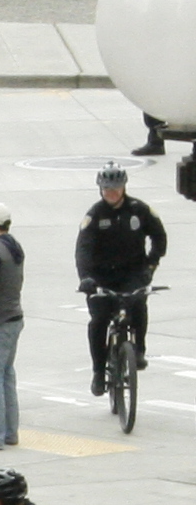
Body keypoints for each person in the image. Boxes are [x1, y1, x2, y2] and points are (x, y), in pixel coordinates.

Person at [77, 164, 168, 394]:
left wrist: (151, 264)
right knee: (99, 321)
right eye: (107, 189)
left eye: (116, 188)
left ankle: (139, 350)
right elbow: (83, 250)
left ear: (124, 187)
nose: (112, 193)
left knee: (138, 304)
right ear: (100, 189)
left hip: (133, 273)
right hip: (101, 278)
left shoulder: (139, 210)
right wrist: (86, 278)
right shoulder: (94, 215)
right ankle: (99, 371)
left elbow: (159, 236)